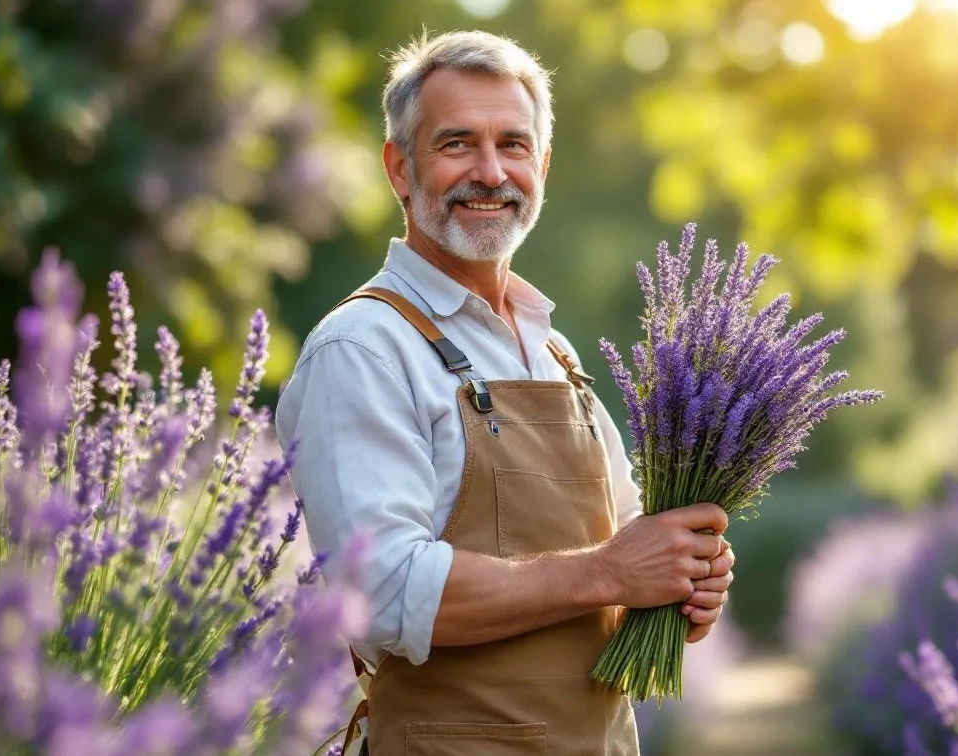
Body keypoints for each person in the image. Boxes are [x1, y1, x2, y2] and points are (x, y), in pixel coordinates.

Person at [275, 29, 735, 756]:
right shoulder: (364, 349)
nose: (490, 172)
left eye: (513, 146)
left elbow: (626, 553)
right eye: (457, 143)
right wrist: (610, 570)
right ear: (400, 168)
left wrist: (682, 582)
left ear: (542, 166)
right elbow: (385, 593)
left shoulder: (554, 352)